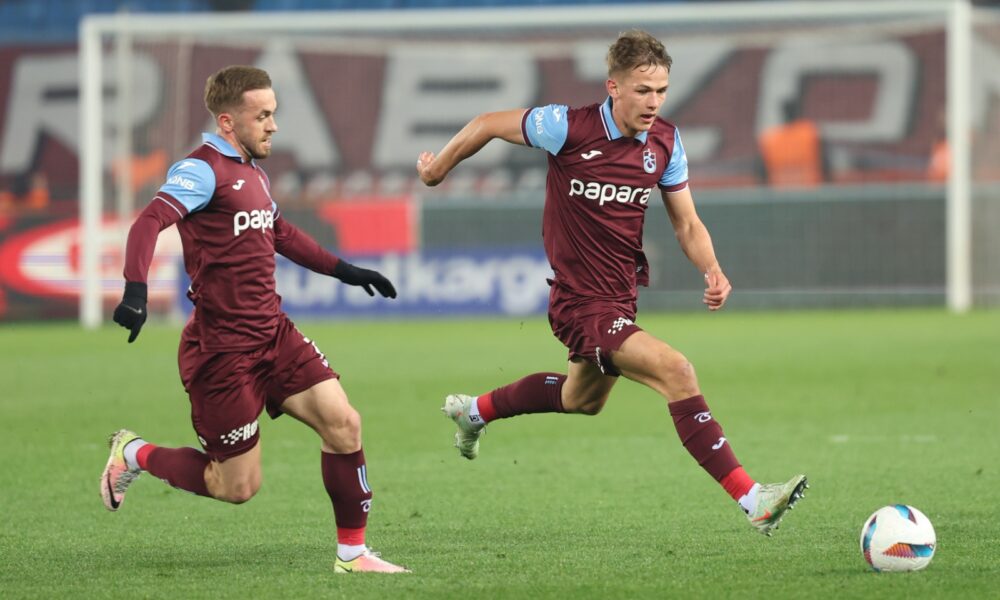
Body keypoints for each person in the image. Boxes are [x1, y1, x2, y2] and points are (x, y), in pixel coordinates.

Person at [416, 30, 807, 536]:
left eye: (661, 90)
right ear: (614, 87)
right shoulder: (567, 127)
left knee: (582, 399)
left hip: (620, 298)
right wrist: (437, 171)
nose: (654, 102)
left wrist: (711, 268)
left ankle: (475, 412)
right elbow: (488, 123)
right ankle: (752, 499)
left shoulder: (666, 142)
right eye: (643, 90)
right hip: (580, 302)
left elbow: (687, 223)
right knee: (677, 371)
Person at [102, 65, 408, 573]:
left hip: (274, 333)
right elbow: (149, 221)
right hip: (222, 351)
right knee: (236, 486)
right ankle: (134, 453)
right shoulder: (201, 170)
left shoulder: (254, 173)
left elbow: (281, 233)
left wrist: (346, 270)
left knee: (344, 424)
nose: (273, 125)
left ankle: (352, 555)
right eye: (262, 115)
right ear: (227, 121)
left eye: (273, 113)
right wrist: (136, 289)